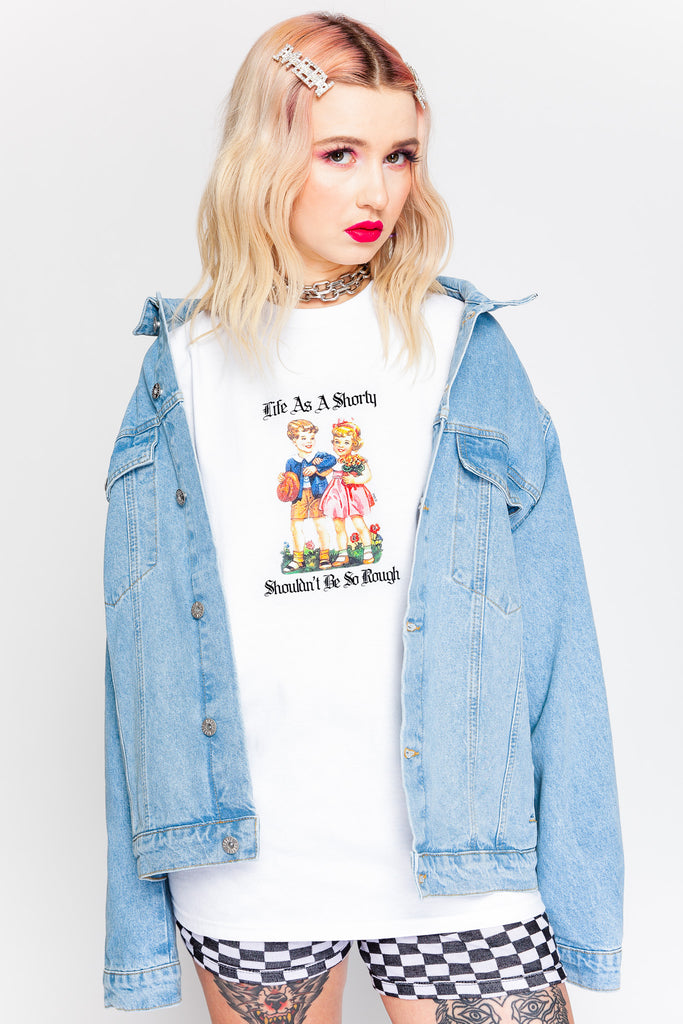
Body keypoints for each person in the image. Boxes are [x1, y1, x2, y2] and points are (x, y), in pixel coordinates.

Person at [102, 12, 623, 1024]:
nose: (377, 191)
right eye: (339, 153)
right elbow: (141, 662)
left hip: (459, 847)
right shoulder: (183, 367)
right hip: (251, 856)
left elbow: (559, 638)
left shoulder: (460, 346)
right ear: (263, 155)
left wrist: (578, 878)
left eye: (399, 155)